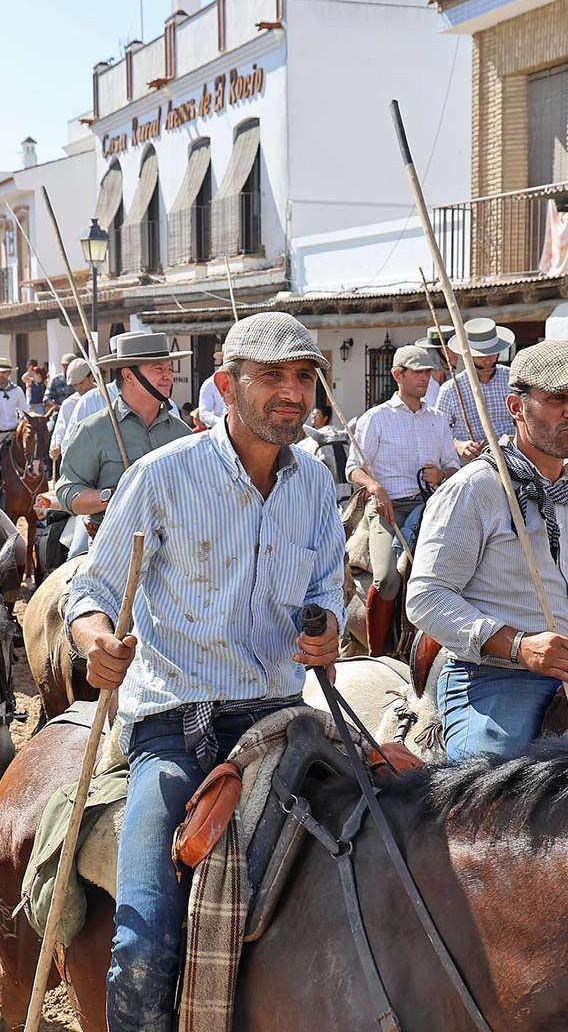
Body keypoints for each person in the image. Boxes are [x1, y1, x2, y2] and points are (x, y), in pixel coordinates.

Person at [66, 310, 344, 1032]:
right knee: (144, 941)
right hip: (176, 726)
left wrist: (326, 630)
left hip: (285, 720)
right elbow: (91, 591)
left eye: (304, 376)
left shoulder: (317, 485)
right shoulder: (161, 476)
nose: (293, 391)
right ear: (225, 385)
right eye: (272, 375)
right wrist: (97, 639)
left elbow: (326, 590)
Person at [406, 340, 568, 758]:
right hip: (495, 680)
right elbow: (427, 598)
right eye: (557, 399)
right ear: (516, 407)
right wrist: (518, 645)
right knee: (491, 793)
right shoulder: (477, 489)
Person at [52, 333, 192, 557]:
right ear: (129, 376)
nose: (168, 376)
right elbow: (69, 493)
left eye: (169, 369)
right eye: (158, 369)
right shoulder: (93, 430)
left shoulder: (182, 434)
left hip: (176, 550)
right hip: (112, 550)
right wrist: (111, 497)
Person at [346, 343, 460, 601]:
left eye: (428, 372)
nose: (425, 377)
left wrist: (442, 475)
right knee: (387, 581)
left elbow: (454, 466)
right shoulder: (375, 418)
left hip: (432, 508)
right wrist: (374, 487)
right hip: (389, 510)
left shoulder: (438, 419)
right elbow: (353, 467)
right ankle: (380, 629)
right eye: (418, 372)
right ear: (398, 375)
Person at [431, 317, 516, 460]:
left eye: (492, 353)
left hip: (512, 458)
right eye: (481, 356)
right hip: (471, 463)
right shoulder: (451, 389)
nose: (488, 360)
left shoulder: (512, 380)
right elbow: (436, 431)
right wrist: (457, 445)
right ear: (468, 355)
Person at [49, 357, 98, 464]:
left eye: (81, 383)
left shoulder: (106, 397)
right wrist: (56, 445)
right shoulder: (69, 404)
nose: (79, 387)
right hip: (80, 457)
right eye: (75, 385)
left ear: (92, 377)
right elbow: (61, 429)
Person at [197, 349, 227, 428]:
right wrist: (222, 422)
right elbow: (204, 414)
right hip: (216, 429)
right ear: (223, 359)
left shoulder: (240, 381)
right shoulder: (209, 384)